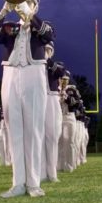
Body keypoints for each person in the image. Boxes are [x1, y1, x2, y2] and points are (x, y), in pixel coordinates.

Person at [0, 0, 54, 198]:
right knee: (13, 130)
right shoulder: (11, 27)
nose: (23, 4)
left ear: (35, 5)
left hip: (33, 72)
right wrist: (3, 11)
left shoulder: (42, 25)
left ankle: (34, 183)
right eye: (21, 2)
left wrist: (30, 15)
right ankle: (18, 183)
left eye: (28, 2)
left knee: (33, 130)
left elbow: (48, 36)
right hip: (10, 73)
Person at [43, 44, 65, 181]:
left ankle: (51, 172)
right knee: (35, 137)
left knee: (51, 136)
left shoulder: (57, 64)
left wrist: (47, 60)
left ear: (52, 52)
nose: (45, 52)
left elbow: (60, 73)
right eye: (42, 49)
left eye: (47, 50)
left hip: (50, 98)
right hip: (36, 99)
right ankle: (38, 173)